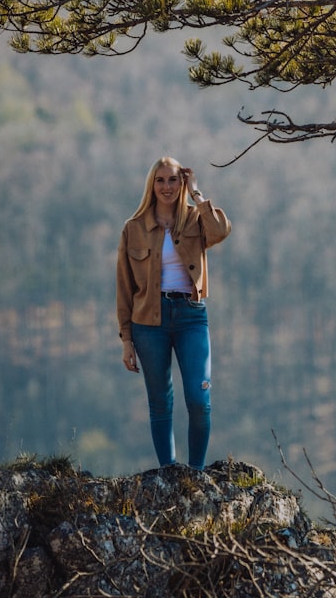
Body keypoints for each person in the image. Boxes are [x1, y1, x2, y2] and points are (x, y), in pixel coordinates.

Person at [116, 157, 232, 471]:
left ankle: (195, 474)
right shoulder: (133, 228)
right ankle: (168, 473)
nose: (167, 187)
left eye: (173, 180)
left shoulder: (195, 219)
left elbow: (221, 231)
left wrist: (197, 193)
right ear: (151, 186)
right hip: (147, 323)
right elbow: (124, 289)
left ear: (181, 183)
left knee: (199, 399)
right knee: (160, 403)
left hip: (191, 316)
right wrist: (126, 340)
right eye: (161, 180)